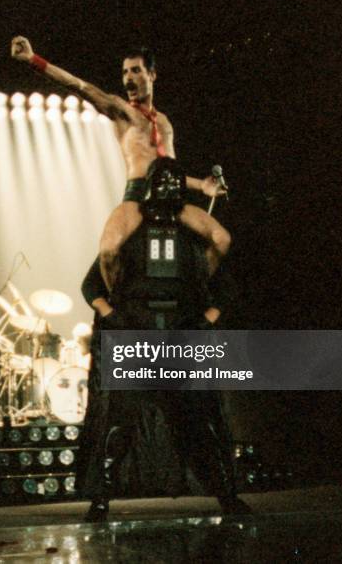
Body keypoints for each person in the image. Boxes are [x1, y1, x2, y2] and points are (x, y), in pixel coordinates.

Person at [75, 158, 248, 521]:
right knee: (120, 423)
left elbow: (225, 287)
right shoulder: (128, 233)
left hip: (179, 336)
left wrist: (204, 320)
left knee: (201, 422)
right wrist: (114, 317)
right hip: (137, 335)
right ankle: (101, 500)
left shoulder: (192, 240)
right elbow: (93, 283)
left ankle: (227, 497)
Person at [11, 36, 230, 291]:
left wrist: (203, 186)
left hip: (172, 197)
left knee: (221, 239)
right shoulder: (121, 111)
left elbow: (168, 170)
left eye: (136, 70)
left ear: (152, 74)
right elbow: (80, 86)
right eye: (125, 72)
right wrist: (32, 60)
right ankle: (119, 313)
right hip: (137, 195)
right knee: (108, 251)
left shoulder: (165, 123)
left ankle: (192, 293)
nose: (128, 77)